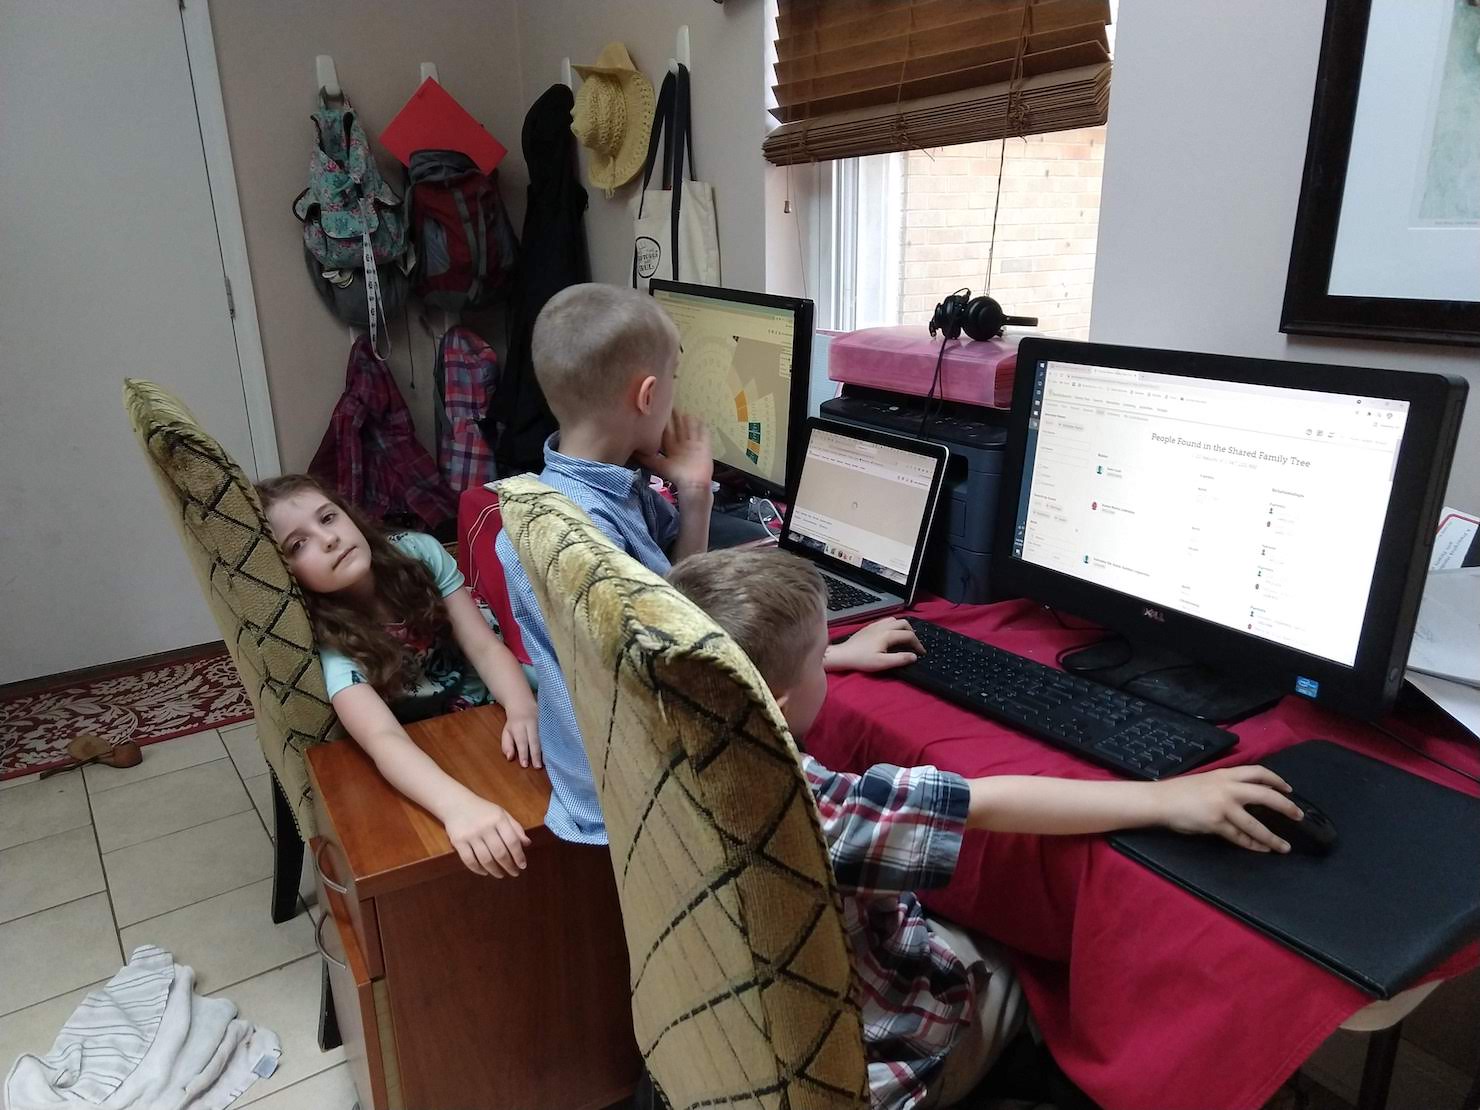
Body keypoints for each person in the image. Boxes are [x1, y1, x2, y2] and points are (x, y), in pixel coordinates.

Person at [667, 547, 1303, 1110]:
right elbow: (988, 800)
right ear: (777, 705)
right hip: (882, 1066)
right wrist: (1165, 800)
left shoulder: (666, 738)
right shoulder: (820, 811)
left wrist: (829, 656)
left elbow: (753, 683)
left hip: (730, 1035)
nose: (825, 667)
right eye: (817, 658)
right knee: (1029, 946)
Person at [496, 282, 713, 844]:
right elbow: (683, 640)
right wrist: (697, 495)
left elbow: (671, 582)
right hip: (628, 786)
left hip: (587, 762)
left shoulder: (572, 495)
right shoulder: (589, 533)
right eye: (674, 384)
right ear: (646, 396)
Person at [257, 474, 538, 879]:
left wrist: (521, 707)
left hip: (488, 690)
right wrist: (458, 808)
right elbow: (382, 739)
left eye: (328, 518)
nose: (328, 539)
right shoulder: (330, 639)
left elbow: (484, 647)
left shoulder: (418, 552)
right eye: (299, 544)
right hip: (425, 732)